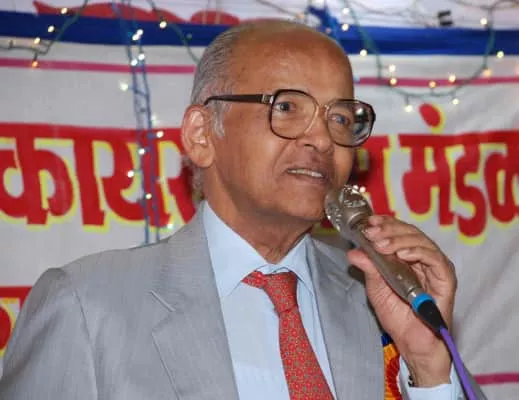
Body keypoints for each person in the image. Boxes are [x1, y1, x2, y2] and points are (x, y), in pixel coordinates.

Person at [0, 20, 462, 399]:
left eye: (340, 118)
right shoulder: (87, 305)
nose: (322, 140)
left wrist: (427, 367)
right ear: (202, 135)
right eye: (287, 107)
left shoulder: (380, 298)